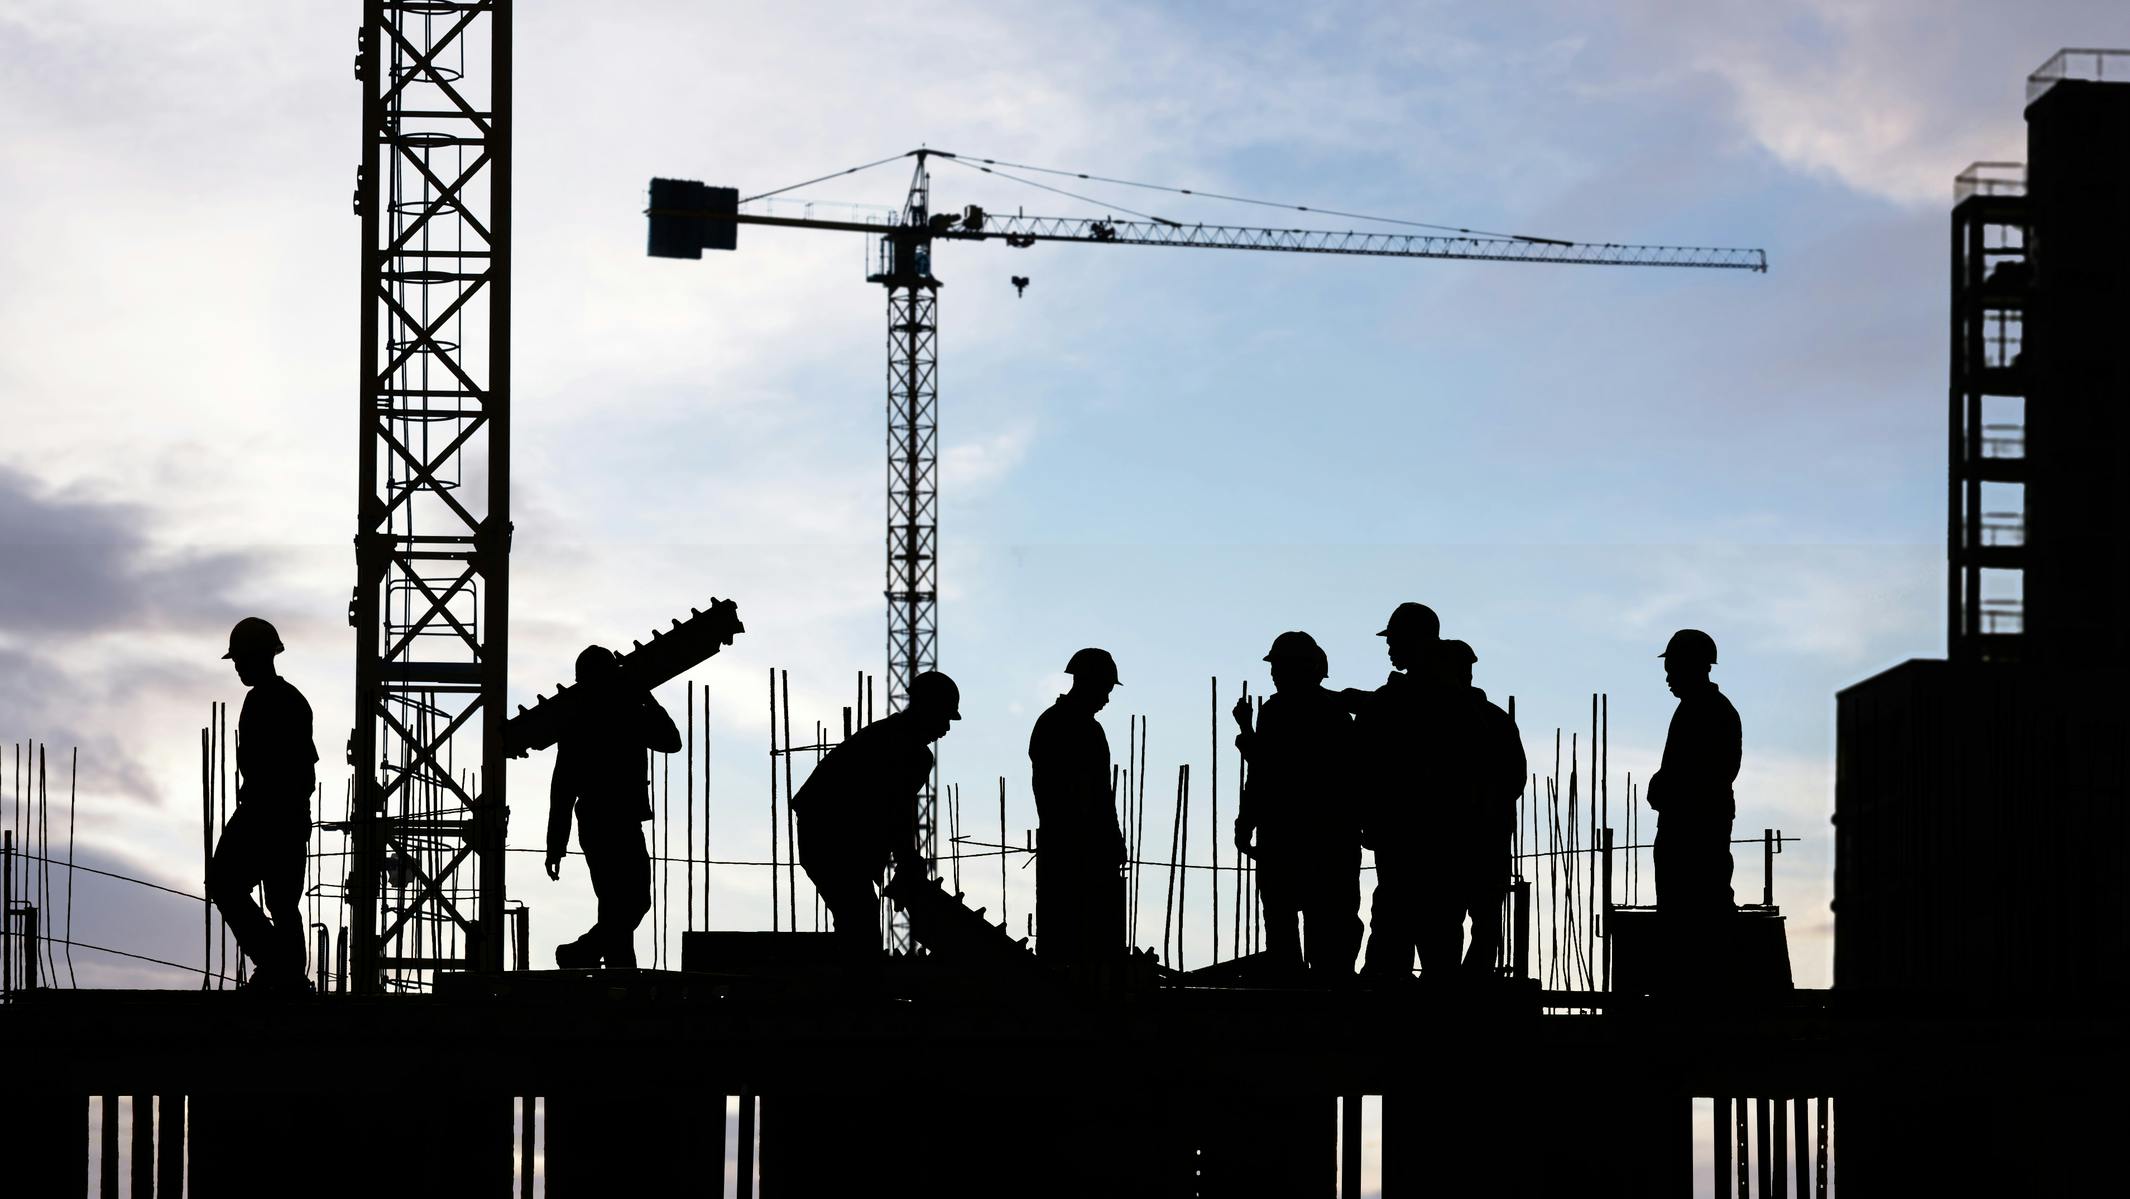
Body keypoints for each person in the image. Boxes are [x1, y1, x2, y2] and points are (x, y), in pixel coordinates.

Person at [795, 670, 961, 958]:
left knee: (857, 920)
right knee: (860, 921)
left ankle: (855, 983)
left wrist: (906, 860)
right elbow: (897, 809)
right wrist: (907, 859)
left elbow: (893, 811)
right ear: (927, 709)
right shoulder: (906, 749)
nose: (946, 728)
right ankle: (857, 994)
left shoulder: (889, 737)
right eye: (944, 717)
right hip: (831, 839)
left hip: (828, 837)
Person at [1231, 631, 1360, 978]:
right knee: (1323, 928)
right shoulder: (1336, 713)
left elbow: (1268, 772)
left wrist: (1245, 824)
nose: (1273, 674)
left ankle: (1299, 993)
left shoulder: (1278, 711)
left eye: (1279, 666)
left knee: (1289, 925)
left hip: (1293, 837)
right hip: (1328, 838)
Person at [545, 645, 682, 968]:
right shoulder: (623, 712)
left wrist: (556, 846)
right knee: (631, 903)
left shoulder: (591, 716)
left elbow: (562, 790)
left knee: (617, 906)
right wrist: (646, 697)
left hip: (603, 822)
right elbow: (671, 741)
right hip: (611, 822)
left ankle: (615, 971)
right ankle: (583, 954)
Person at [1346, 601, 1454, 983]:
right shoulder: (1445, 693)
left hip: (1411, 830)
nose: (1390, 648)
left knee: (1401, 913)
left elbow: (1369, 754)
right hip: (1434, 832)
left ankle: (1390, 990)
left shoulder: (1414, 698)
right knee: (1432, 918)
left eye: (1395, 640)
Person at [207, 617, 317, 993]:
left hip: (267, 814)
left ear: (259, 657)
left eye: (241, 660)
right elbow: (307, 774)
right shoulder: (292, 701)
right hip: (283, 815)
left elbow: (297, 772)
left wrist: (269, 810)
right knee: (283, 904)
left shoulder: (269, 702)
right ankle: (284, 973)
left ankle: (277, 968)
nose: (237, 667)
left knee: (228, 883)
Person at [1430, 639, 1527, 977]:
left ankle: (1455, 984)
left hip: (1462, 837)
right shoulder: (1497, 719)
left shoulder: (1443, 720)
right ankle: (1471, 981)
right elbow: (1516, 780)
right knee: (1480, 920)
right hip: (1487, 836)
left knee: (1452, 917)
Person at [1028, 649, 1127, 970]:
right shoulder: (1077, 728)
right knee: (1082, 945)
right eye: (1105, 691)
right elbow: (1097, 794)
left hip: (1067, 843)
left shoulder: (1053, 723)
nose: (1107, 700)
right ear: (1088, 683)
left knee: (1069, 944)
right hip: (1077, 848)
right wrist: (1109, 839)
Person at [1647, 629, 1741, 915]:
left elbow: (1707, 772)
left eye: (1672, 669)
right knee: (1683, 899)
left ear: (1693, 667)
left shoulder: (1709, 711)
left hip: (1694, 824)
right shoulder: (1697, 709)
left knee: (1697, 902)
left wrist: (1664, 787)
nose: (1667, 678)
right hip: (1687, 820)